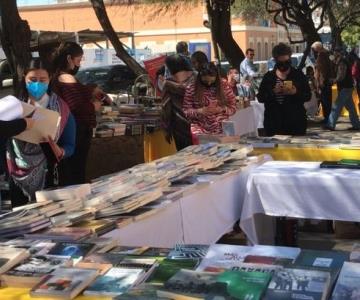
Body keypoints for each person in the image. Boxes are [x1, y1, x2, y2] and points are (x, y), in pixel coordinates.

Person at [7, 58, 76, 207]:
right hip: (15, 172)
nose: (37, 84)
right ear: (24, 78)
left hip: (49, 173)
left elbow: (70, 144)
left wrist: (61, 151)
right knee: (20, 222)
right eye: (32, 79)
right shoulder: (13, 106)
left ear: (49, 79)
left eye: (42, 79)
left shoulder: (61, 109)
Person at [52, 42, 102, 185]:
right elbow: (75, 105)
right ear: (69, 59)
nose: (79, 64)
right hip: (77, 131)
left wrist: (91, 90)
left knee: (72, 171)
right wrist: (93, 106)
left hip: (73, 130)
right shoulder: (65, 78)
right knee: (75, 172)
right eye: (78, 60)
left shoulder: (59, 76)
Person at [257, 43, 311, 136]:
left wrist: (295, 92)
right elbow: (260, 97)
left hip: (295, 123)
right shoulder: (269, 77)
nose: (284, 65)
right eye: (280, 62)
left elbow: (308, 96)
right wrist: (273, 92)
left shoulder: (298, 75)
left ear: (290, 59)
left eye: (287, 62)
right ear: (275, 61)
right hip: (274, 124)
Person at [183, 62, 236, 139]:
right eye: (205, 82)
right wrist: (199, 111)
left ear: (216, 78)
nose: (208, 83)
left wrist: (222, 109)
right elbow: (185, 111)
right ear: (199, 78)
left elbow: (233, 107)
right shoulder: (191, 88)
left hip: (223, 129)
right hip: (200, 130)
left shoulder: (224, 85)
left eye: (212, 82)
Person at [161, 54, 196, 150]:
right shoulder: (197, 77)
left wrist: (166, 130)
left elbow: (166, 107)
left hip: (181, 128)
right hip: (200, 125)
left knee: (187, 160)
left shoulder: (168, 84)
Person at [326, 49, 360, 130]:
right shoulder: (341, 62)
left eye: (334, 53)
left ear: (338, 54)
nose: (333, 55)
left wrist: (333, 80)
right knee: (351, 108)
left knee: (336, 106)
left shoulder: (342, 62)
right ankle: (357, 125)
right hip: (347, 87)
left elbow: (341, 76)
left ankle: (330, 125)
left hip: (345, 87)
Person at [312, 41, 333, 123]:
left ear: (317, 48)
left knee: (325, 101)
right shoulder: (326, 54)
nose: (314, 51)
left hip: (324, 82)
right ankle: (328, 119)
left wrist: (321, 83)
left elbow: (322, 70)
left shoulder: (322, 55)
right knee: (326, 101)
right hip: (326, 81)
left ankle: (327, 119)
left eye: (314, 49)